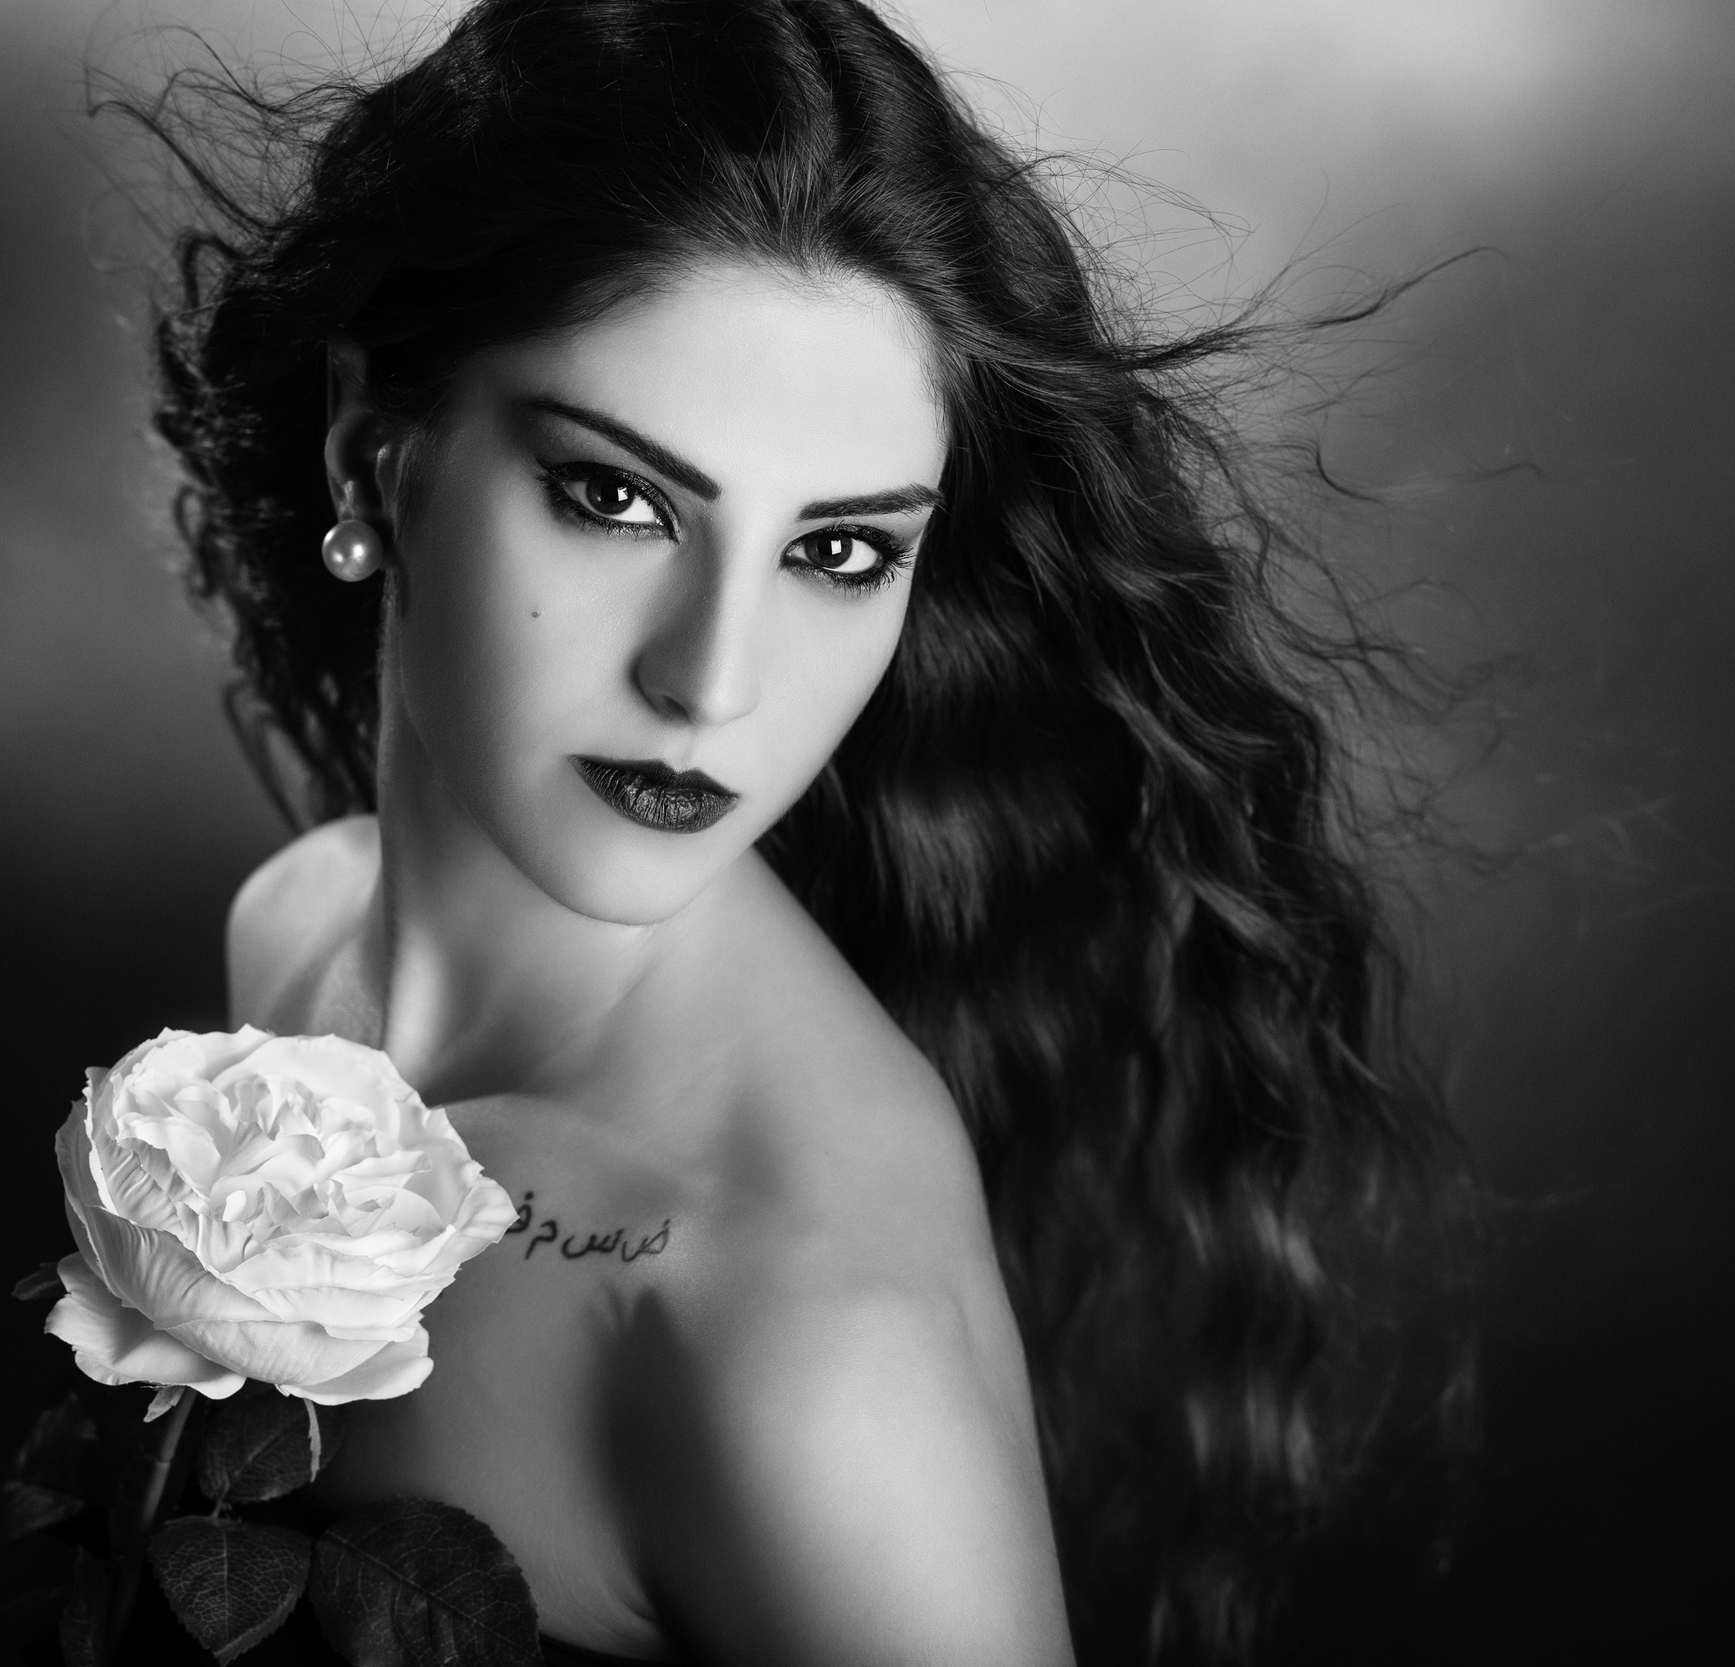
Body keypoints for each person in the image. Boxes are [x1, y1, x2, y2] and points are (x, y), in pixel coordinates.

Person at [140, 1, 1470, 1660]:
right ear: (371, 451)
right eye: (616, 497)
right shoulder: (294, 932)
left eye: (839, 553)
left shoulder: (793, 1313)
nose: (714, 683)